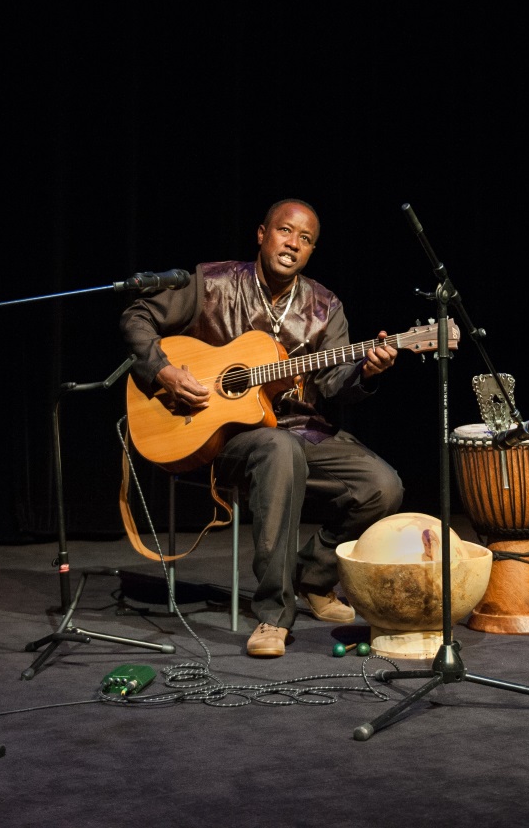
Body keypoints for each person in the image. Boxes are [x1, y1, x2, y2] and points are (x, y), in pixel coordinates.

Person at [119, 198, 404, 657]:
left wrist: (366, 372)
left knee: (382, 486)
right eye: (285, 231)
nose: (293, 244)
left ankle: (312, 578)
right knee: (276, 449)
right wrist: (165, 372)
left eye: (306, 239)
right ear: (261, 233)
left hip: (303, 431)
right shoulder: (211, 283)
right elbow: (137, 316)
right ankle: (273, 615)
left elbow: (333, 385)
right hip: (225, 436)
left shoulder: (325, 306)